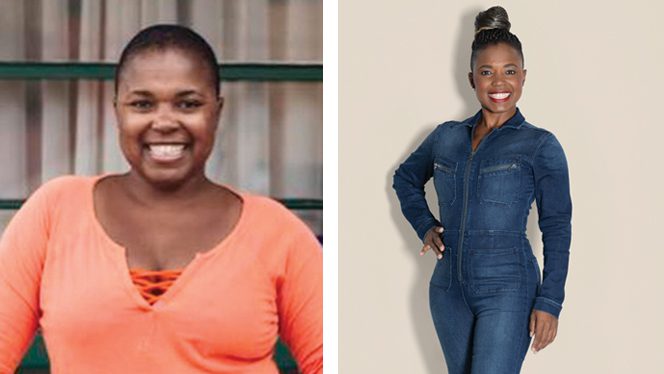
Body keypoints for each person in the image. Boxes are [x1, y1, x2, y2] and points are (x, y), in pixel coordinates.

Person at [0, 25, 322, 373]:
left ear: (217, 111)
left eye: (188, 104)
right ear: (117, 112)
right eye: (142, 104)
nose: (165, 121)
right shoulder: (55, 212)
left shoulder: (276, 232)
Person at [392, 6, 572, 374]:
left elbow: (557, 225)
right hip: (447, 291)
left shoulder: (540, 145)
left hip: (509, 288)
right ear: (471, 78)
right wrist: (425, 225)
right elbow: (405, 178)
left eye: (509, 72)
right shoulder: (445, 137)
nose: (499, 83)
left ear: (524, 77)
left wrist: (551, 300)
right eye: (487, 72)